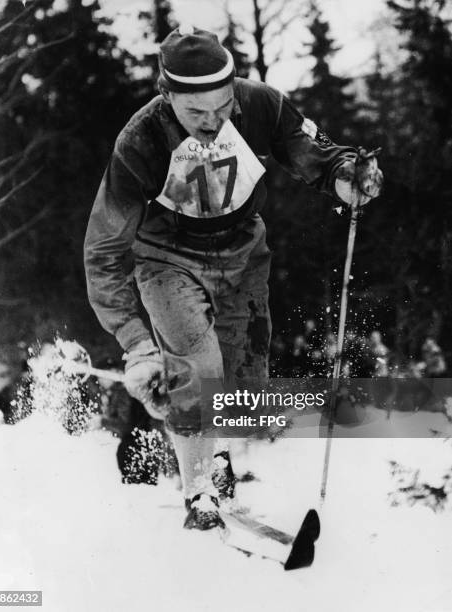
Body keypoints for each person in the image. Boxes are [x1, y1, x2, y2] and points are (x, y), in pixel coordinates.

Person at [84, 25, 383, 531]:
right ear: (167, 95)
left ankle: (214, 451)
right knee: (198, 369)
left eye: (221, 109)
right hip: (167, 259)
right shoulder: (140, 141)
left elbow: (312, 150)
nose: (210, 122)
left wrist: (344, 176)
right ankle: (199, 493)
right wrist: (135, 342)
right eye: (195, 112)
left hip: (243, 253)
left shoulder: (261, 103)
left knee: (242, 388)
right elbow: (104, 251)